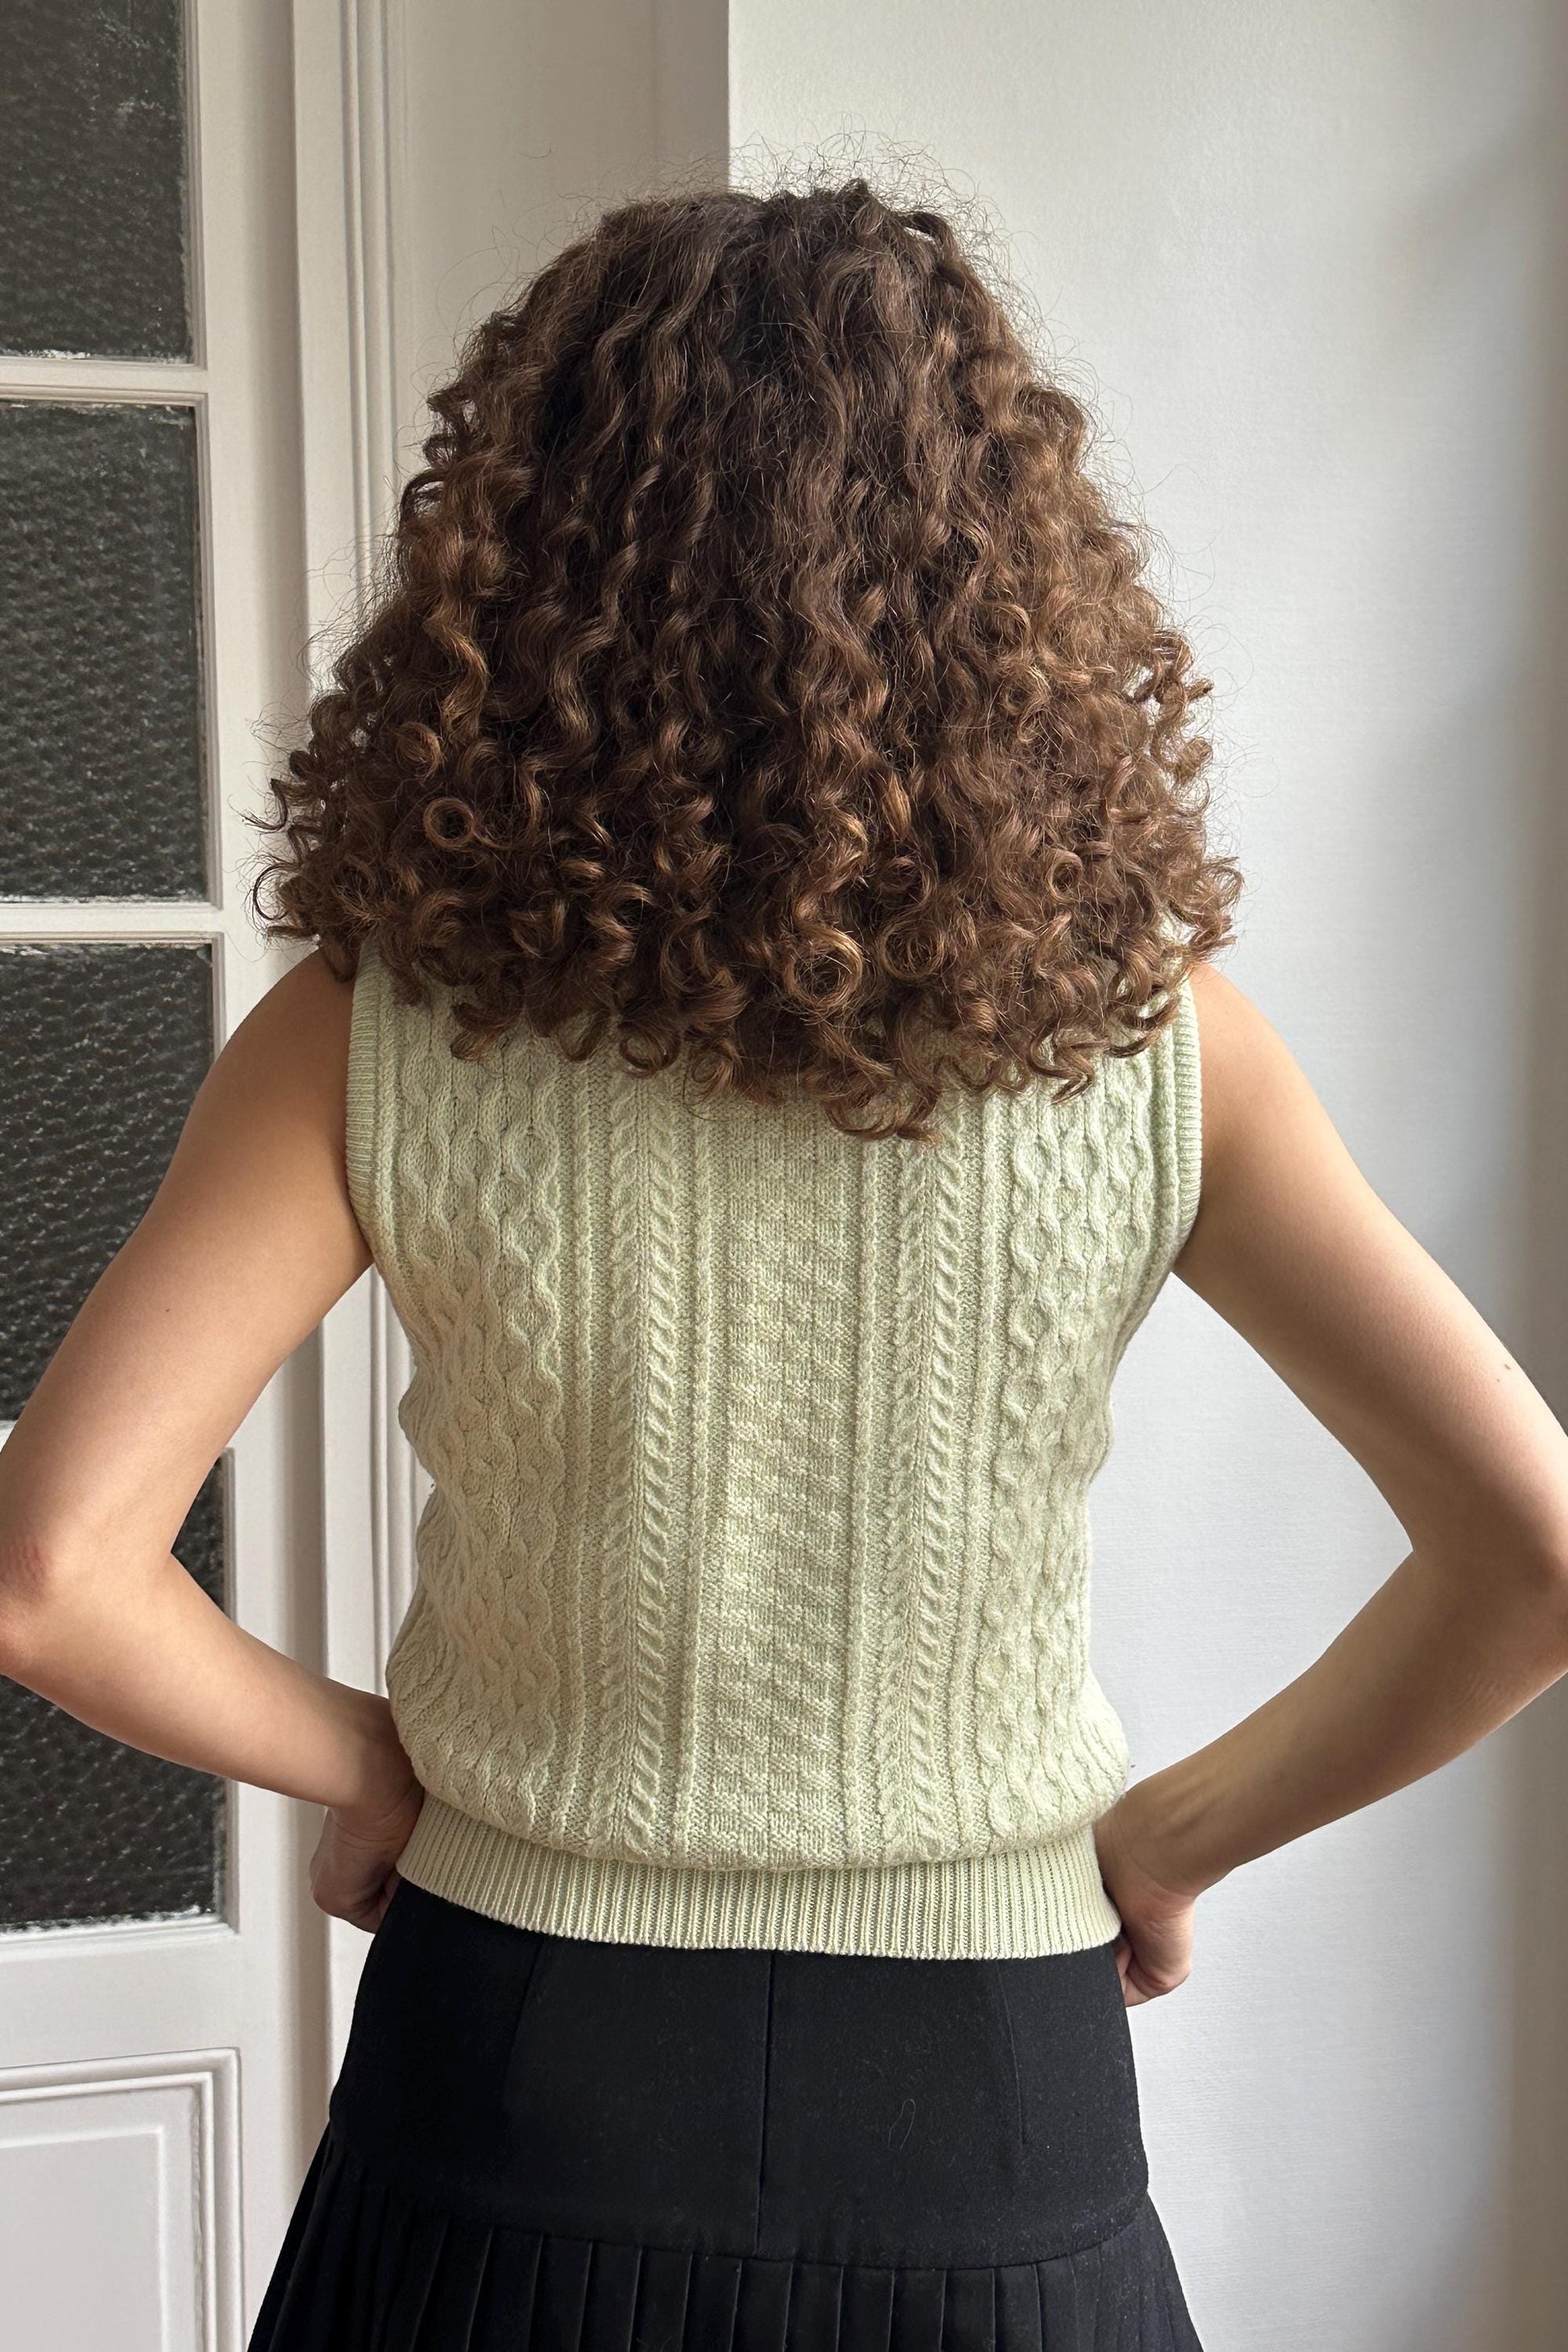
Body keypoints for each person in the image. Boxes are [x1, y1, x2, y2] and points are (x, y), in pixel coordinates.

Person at [3, 178, 1568, 2352]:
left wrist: (369, 1769)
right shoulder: (1156, 1049)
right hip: (993, 2095)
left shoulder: (373, 1035)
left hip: (515, 2056)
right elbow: (1536, 1556)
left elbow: (55, 1575)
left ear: (522, 560)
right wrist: (1177, 1836)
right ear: (1002, 582)